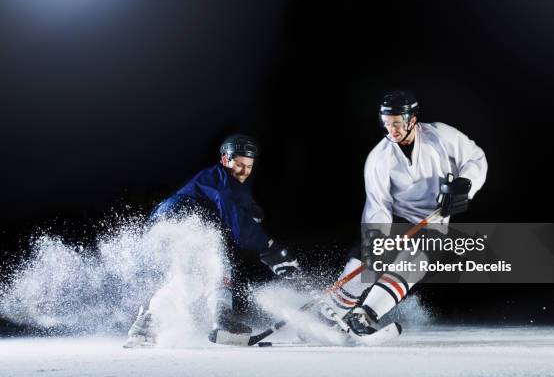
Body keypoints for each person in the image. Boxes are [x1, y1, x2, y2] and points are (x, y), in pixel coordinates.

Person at [325, 90, 488, 336]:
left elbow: (476, 158)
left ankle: (364, 315)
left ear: (412, 120)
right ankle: (330, 309)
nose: (392, 130)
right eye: (387, 124)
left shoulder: (440, 135)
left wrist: (464, 185)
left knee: (417, 258)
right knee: (368, 258)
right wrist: (377, 244)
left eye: (398, 124)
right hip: (396, 218)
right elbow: (378, 206)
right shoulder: (378, 159)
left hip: (432, 221)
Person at [125, 134, 299, 347]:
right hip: (182, 220)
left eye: (249, 166)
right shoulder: (223, 179)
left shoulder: (218, 180)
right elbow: (236, 219)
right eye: (239, 164)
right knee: (211, 269)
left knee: (198, 275)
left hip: (165, 224)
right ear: (226, 160)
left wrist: (250, 209)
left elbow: (236, 207)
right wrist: (269, 248)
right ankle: (220, 321)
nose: (244, 171)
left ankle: (152, 322)